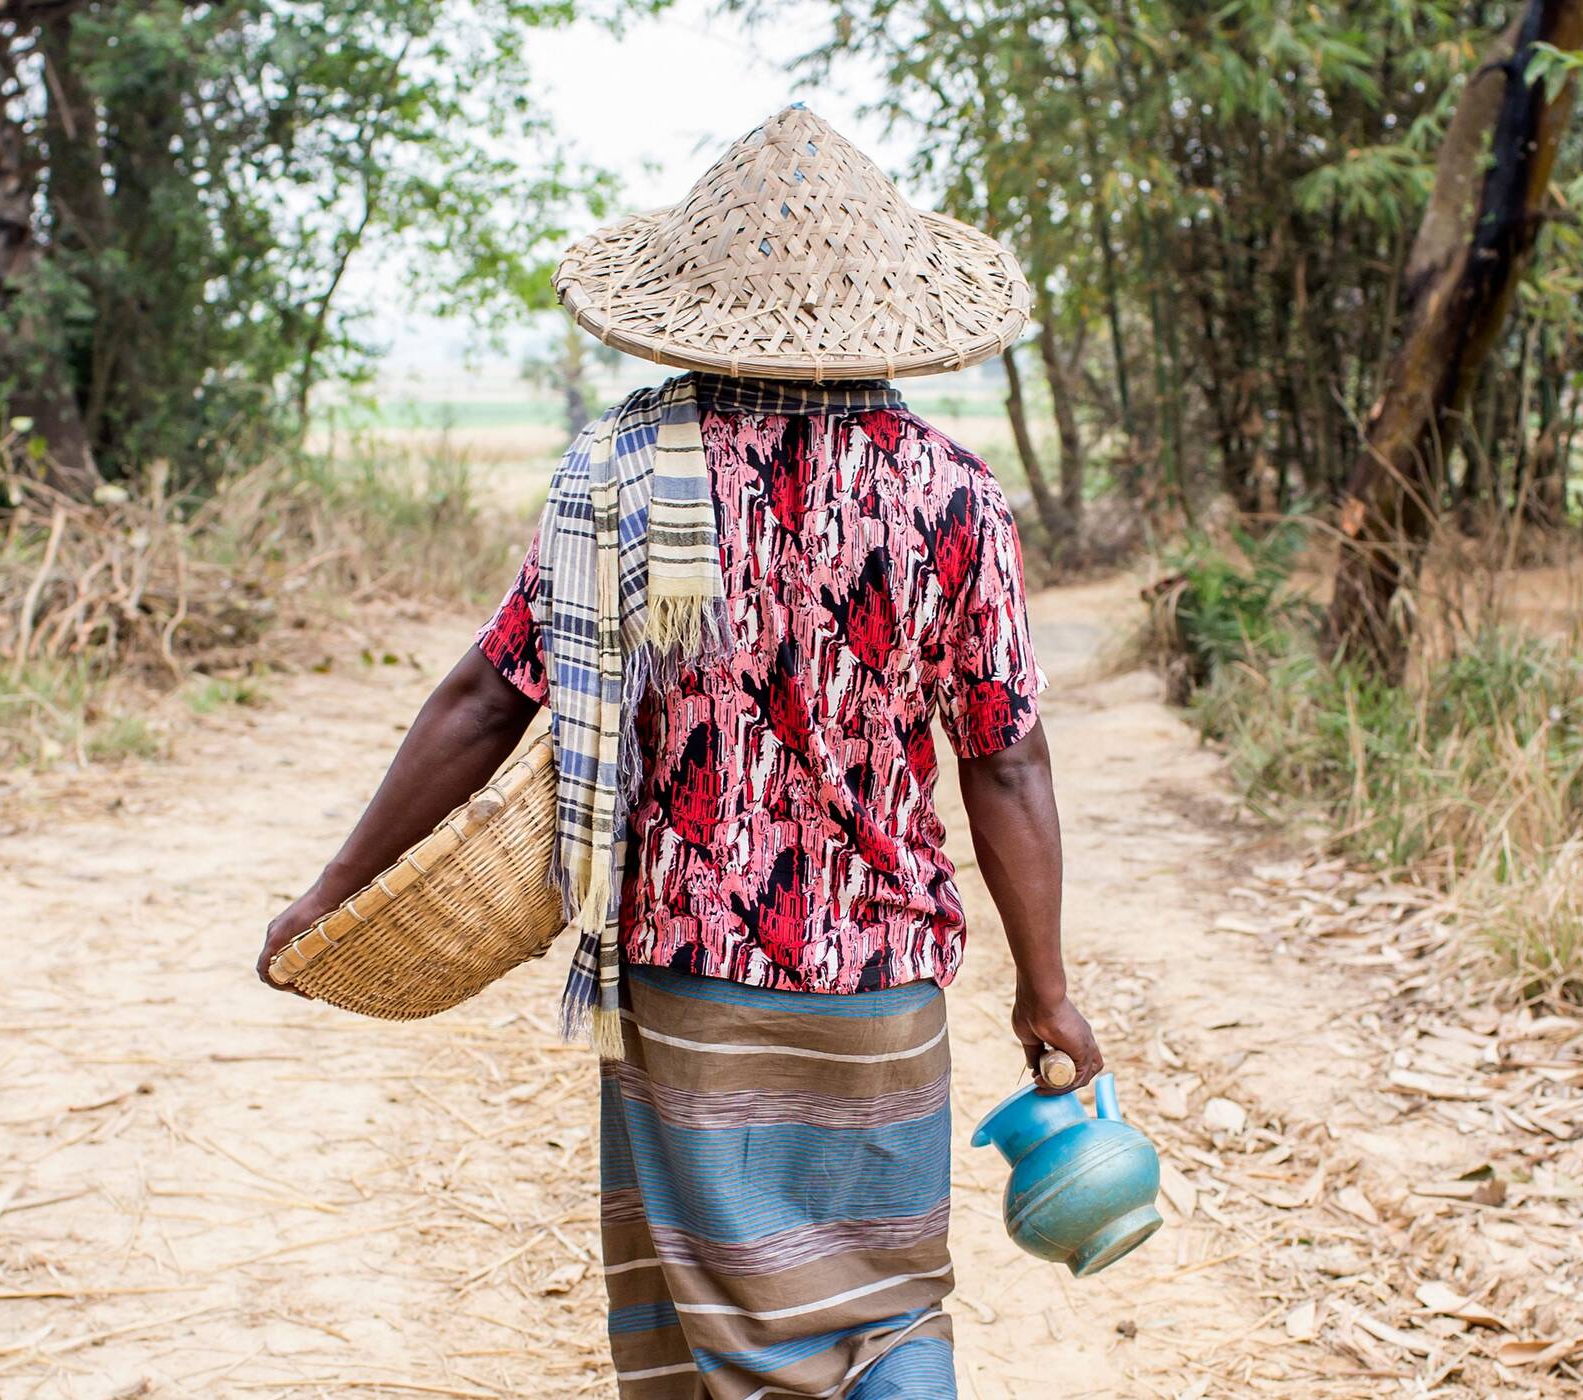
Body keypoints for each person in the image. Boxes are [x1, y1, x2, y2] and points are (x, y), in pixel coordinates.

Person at [256, 106, 1104, 1399]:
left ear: (691, 306)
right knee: (887, 1309)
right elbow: (1007, 759)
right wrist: (1046, 992)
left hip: (691, 979)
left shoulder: (622, 476)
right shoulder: (953, 495)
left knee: (739, 1350)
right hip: (883, 995)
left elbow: (488, 701)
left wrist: (331, 899)